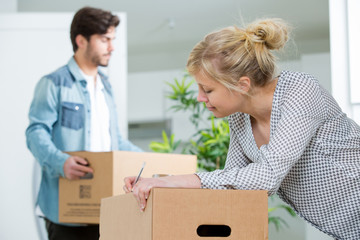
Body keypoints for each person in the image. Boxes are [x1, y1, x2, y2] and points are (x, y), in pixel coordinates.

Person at [124, 18, 360, 240]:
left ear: (242, 85)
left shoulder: (299, 91)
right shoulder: (239, 118)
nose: (199, 98)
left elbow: (267, 176)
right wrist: (160, 184)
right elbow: (232, 186)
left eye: (207, 90)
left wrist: (175, 181)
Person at [26, 6, 142, 240]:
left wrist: (151, 162)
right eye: (104, 40)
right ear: (81, 40)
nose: (112, 47)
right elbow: (36, 132)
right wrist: (62, 162)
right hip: (67, 212)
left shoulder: (106, 87)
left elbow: (115, 141)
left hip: (105, 209)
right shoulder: (53, 83)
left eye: (113, 39)